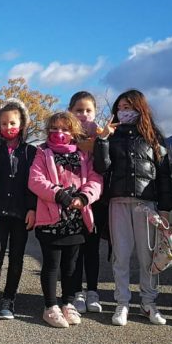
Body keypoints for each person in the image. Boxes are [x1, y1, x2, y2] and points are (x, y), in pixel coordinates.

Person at [93, 89, 172, 326]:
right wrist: (102, 140)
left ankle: (148, 303)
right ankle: (122, 303)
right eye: (120, 108)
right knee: (120, 255)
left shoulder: (154, 136)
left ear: (140, 108)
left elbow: (164, 175)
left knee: (149, 255)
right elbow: (101, 168)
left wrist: (165, 209)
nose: (123, 112)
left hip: (146, 203)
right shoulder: (111, 135)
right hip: (117, 202)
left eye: (128, 107)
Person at [29, 112, 103, 327]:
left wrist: (84, 197)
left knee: (71, 265)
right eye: (54, 128)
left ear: (74, 132)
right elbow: (35, 180)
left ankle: (68, 303)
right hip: (51, 218)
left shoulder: (83, 154)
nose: (59, 132)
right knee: (51, 264)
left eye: (65, 128)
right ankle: (50, 306)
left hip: (77, 219)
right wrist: (58, 194)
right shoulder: (42, 152)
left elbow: (95, 179)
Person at [0, 99, 37, 323]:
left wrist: (32, 209)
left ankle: (8, 299)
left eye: (12, 123)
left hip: (22, 214)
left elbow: (33, 184)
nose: (8, 127)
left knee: (16, 258)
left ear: (22, 124)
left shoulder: (31, 152)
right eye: (3, 123)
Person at [69, 91, 109, 313]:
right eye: (78, 110)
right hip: (71, 201)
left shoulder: (104, 136)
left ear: (95, 113)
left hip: (96, 201)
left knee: (92, 249)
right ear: (70, 112)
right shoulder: (64, 137)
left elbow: (105, 166)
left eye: (88, 110)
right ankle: (76, 292)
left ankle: (93, 291)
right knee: (75, 249)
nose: (83, 115)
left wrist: (101, 142)